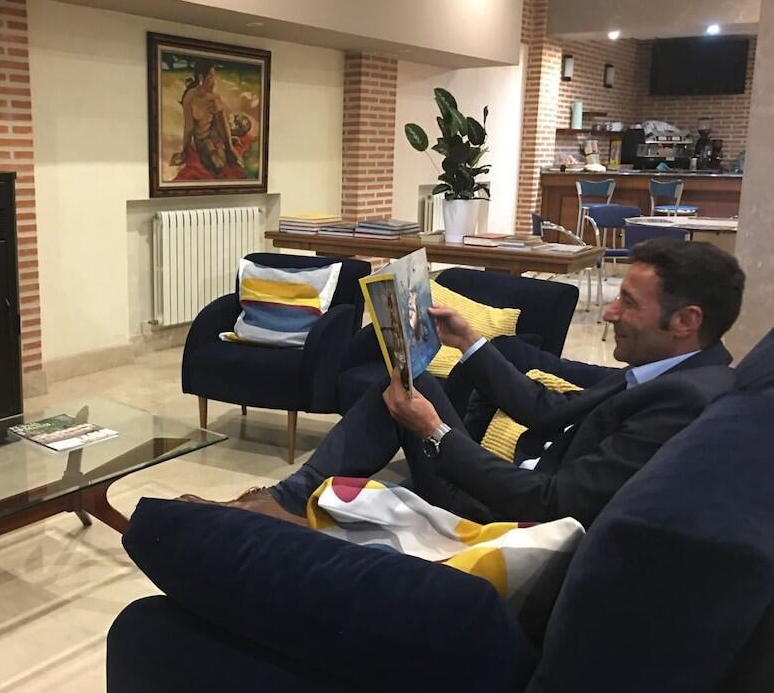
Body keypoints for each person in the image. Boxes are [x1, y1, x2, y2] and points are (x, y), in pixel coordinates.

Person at [183, 239, 745, 528]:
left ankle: (283, 504)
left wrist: (436, 434)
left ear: (685, 321)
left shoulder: (682, 404)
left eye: (629, 302)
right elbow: (545, 409)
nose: (610, 312)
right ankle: (287, 499)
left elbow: (553, 502)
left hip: (505, 512)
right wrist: (470, 341)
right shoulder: (671, 372)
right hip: (514, 482)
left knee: (409, 399)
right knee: (411, 381)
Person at [169, 59, 249, 180]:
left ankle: (228, 147)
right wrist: (185, 151)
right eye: (211, 77)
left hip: (217, 137)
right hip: (203, 141)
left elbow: (223, 123)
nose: (214, 82)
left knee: (227, 161)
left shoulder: (214, 98)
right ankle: (224, 148)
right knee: (217, 164)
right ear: (201, 78)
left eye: (214, 77)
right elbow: (189, 127)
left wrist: (229, 147)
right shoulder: (190, 98)